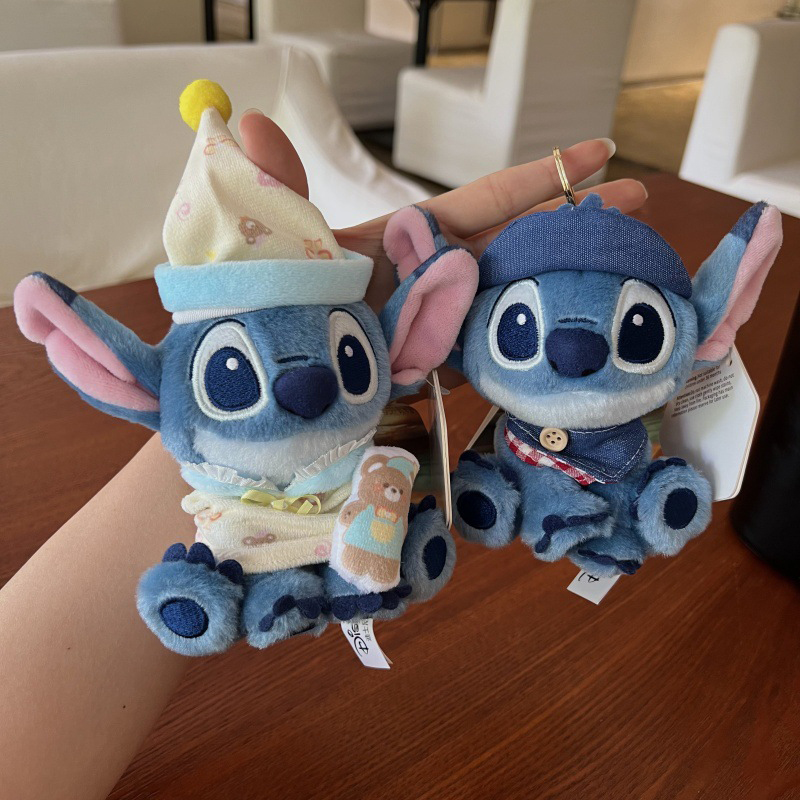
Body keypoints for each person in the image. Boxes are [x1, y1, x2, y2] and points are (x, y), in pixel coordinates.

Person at [0, 109, 646, 800]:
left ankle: (376, 560)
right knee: (239, 566)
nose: (305, 388)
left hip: (352, 493)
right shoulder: (177, 405)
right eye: (226, 371)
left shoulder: (380, 400)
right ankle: (246, 592)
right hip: (241, 530)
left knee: (386, 510)